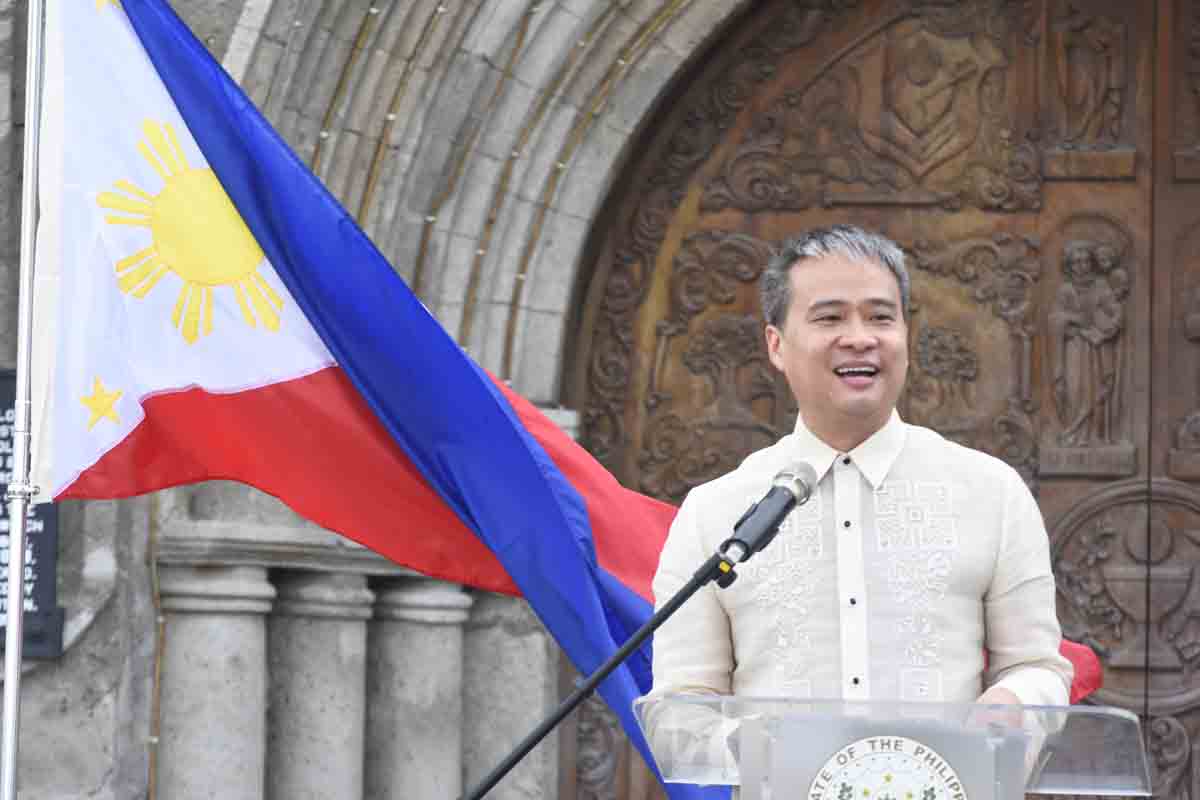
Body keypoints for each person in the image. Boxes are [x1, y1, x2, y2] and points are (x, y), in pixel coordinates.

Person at [649, 224, 1072, 713]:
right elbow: (682, 703)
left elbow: (1039, 667)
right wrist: (763, 751)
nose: (860, 338)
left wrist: (1010, 706)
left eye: (880, 317)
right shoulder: (713, 512)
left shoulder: (992, 493)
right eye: (829, 319)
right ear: (776, 344)